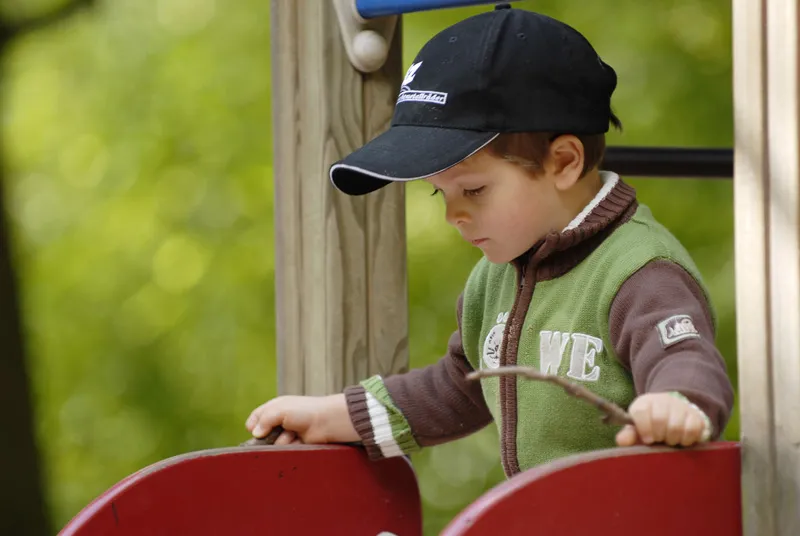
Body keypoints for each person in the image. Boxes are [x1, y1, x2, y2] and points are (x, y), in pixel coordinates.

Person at [245, 4, 734, 477]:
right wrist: (337, 416)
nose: (454, 215)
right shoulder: (497, 275)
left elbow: (683, 358)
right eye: (441, 193)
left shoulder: (637, 271)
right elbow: (462, 385)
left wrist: (677, 402)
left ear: (562, 162)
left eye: (474, 190)